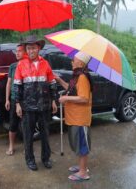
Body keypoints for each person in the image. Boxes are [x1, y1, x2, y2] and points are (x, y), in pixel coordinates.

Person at [14, 35, 57, 171]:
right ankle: (30, 160)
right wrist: (17, 104)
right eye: (28, 48)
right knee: (28, 135)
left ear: (38, 48)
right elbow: (17, 86)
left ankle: (46, 158)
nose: (31, 51)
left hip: (44, 106)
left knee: (45, 134)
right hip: (27, 107)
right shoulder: (21, 65)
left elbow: (52, 83)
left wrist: (54, 100)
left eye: (33, 48)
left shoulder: (45, 63)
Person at [56, 51, 92, 181]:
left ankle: (83, 172)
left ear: (81, 63)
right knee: (77, 143)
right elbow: (71, 90)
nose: (72, 62)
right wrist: (60, 80)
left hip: (80, 118)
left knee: (82, 145)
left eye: (74, 60)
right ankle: (81, 166)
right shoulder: (77, 76)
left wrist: (65, 98)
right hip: (74, 117)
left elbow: (84, 98)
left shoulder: (82, 77)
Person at [5, 44, 26, 155]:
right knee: (13, 123)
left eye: (20, 51)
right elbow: (9, 83)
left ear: (25, 52)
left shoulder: (29, 65)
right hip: (14, 99)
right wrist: (7, 99)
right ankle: (11, 146)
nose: (17, 53)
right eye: (16, 51)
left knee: (26, 124)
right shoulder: (13, 66)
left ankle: (27, 147)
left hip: (26, 100)